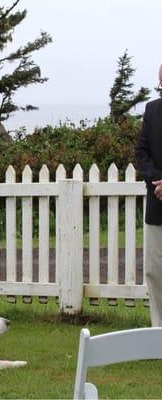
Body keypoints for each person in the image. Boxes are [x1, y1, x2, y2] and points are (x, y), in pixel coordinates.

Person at [135, 65, 162, 327]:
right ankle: (158, 332)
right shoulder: (152, 110)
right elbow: (142, 151)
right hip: (157, 203)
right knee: (155, 271)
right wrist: (157, 180)